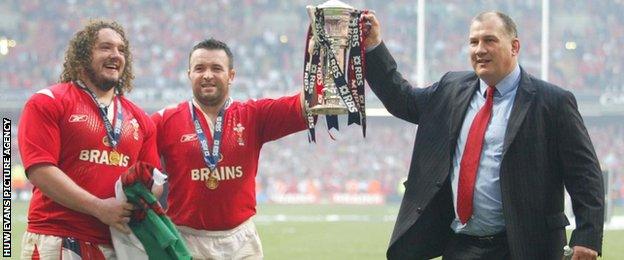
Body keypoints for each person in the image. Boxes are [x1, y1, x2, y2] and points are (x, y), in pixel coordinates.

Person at [361, 11, 604, 259]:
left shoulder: (552, 102)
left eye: (490, 40)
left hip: (525, 247)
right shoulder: (451, 89)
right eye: (473, 42)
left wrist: (587, 236)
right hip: (461, 246)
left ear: (514, 46)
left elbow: (585, 174)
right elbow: (403, 100)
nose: (479, 49)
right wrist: (373, 47)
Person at [151, 38, 308, 259]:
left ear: (231, 76)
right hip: (186, 240)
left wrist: (317, 62)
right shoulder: (165, 120)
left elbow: (306, 106)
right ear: (189, 75)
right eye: (199, 68)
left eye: (216, 68)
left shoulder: (252, 115)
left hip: (241, 241)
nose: (207, 75)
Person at [18, 20, 161, 259]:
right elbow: (39, 169)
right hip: (58, 238)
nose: (116, 55)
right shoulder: (49, 101)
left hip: (117, 243)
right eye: (105, 47)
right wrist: (99, 207)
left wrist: (144, 194)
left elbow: (153, 179)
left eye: (121, 49)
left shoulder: (140, 119)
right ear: (82, 56)